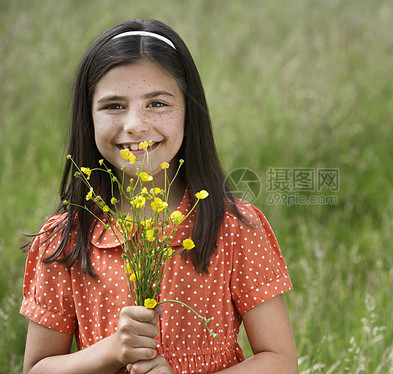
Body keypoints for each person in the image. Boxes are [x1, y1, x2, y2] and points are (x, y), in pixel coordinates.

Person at [20, 19, 297, 374]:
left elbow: (280, 362)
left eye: (157, 103)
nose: (135, 124)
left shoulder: (233, 227)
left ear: (189, 112)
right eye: (113, 106)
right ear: (87, 117)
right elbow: (37, 369)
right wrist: (110, 351)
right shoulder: (65, 238)